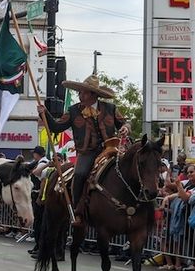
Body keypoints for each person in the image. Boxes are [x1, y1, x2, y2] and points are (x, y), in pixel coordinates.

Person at [37, 74, 130, 228]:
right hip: (87, 152)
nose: (80, 95)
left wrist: (126, 128)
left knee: (128, 169)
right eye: (80, 92)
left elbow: (124, 123)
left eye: (84, 92)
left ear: (93, 95)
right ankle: (77, 210)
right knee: (79, 174)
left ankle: (131, 206)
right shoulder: (73, 111)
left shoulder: (110, 108)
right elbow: (57, 127)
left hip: (110, 149)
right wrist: (44, 113)